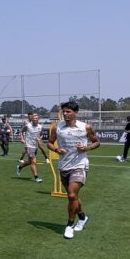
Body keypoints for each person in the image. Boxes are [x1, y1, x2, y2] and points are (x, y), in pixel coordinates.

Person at [47, 101, 99, 240]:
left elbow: (96, 142)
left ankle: (69, 225)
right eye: (63, 111)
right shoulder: (57, 127)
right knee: (74, 196)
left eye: (68, 111)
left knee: (71, 195)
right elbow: (50, 143)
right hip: (64, 166)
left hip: (80, 165)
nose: (65, 114)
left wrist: (86, 148)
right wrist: (57, 150)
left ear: (76, 112)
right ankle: (82, 217)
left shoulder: (85, 127)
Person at [16, 113, 44, 183]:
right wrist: (22, 139)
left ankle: (19, 167)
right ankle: (36, 178)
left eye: (36, 118)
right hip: (29, 145)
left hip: (35, 146)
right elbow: (22, 131)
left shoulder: (40, 127)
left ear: (38, 119)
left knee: (29, 162)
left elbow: (40, 134)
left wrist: (39, 139)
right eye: (33, 118)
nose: (35, 119)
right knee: (33, 162)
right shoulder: (28, 126)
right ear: (31, 119)